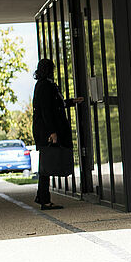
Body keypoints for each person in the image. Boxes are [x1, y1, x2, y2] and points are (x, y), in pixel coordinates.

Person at [32, 58, 83, 210]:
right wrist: (52, 132)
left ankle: (42, 197)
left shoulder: (42, 85)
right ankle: (44, 200)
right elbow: (47, 110)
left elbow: (55, 105)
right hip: (47, 130)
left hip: (43, 129)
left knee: (45, 166)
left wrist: (72, 101)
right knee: (46, 166)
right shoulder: (46, 86)